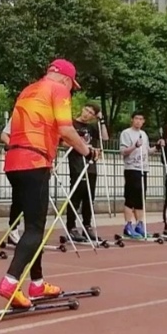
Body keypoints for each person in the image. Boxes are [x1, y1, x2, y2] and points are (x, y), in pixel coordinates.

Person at [0, 59, 91, 309]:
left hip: (14, 162)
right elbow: (67, 130)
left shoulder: (28, 90)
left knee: (33, 225)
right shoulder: (59, 90)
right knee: (35, 229)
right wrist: (86, 150)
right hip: (35, 162)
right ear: (66, 79)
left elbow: (44, 128)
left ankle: (37, 283)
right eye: (72, 86)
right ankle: (10, 282)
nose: (71, 90)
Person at [64, 103, 108, 240]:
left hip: (91, 165)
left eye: (91, 113)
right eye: (86, 110)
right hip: (77, 165)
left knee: (89, 198)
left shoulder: (92, 127)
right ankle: (71, 226)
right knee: (76, 196)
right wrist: (80, 145)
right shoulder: (72, 124)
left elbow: (105, 138)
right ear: (82, 109)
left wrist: (101, 120)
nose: (87, 114)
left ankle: (87, 225)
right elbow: (63, 142)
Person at [118, 111, 161, 239]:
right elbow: (123, 151)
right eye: (136, 118)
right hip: (132, 168)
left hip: (143, 169)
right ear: (132, 120)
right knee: (130, 197)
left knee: (141, 198)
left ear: (143, 121)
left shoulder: (144, 134)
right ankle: (128, 225)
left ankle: (140, 224)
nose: (138, 121)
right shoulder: (126, 133)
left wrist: (157, 147)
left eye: (141, 119)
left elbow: (147, 151)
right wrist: (135, 146)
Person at [1, 119, 23, 246]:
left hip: (34, 164)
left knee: (32, 200)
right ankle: (13, 229)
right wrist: (15, 147)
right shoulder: (18, 117)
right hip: (16, 164)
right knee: (19, 196)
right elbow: (4, 135)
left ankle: (31, 232)